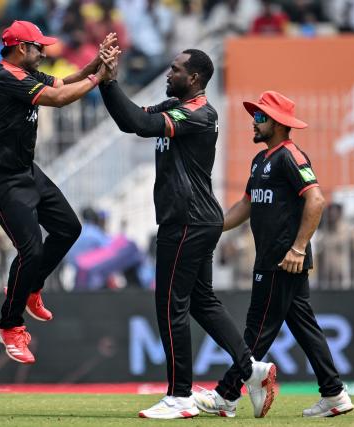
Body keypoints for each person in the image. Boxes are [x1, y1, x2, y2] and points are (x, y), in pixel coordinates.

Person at [98, 48, 277, 419]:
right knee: (201, 302)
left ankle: (179, 397)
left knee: (170, 305)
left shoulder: (197, 113)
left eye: (176, 69)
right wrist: (106, 83)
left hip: (187, 221)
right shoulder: (175, 107)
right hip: (193, 219)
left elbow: (143, 126)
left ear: (193, 78)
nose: (168, 72)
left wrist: (111, 81)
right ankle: (251, 370)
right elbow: (130, 121)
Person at [191, 91, 353, 418]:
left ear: (278, 124)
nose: (254, 121)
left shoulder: (290, 156)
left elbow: (316, 200)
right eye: (255, 115)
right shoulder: (261, 159)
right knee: (304, 327)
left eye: (261, 117)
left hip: (282, 260)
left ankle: (226, 396)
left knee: (256, 329)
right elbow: (247, 206)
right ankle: (334, 394)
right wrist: (213, 227)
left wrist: (297, 248)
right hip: (272, 258)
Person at [0, 21, 119, 365]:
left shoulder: (24, 74)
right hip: (0, 177)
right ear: (21, 48)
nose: (43, 52)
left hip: (25, 172)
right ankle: (9, 327)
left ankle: (30, 287)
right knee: (30, 248)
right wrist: (100, 78)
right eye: (39, 47)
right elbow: (59, 97)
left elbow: (64, 81)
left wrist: (97, 62)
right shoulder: (6, 78)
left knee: (69, 227)